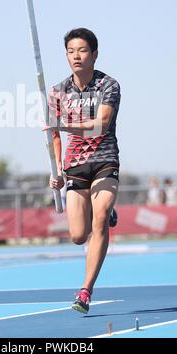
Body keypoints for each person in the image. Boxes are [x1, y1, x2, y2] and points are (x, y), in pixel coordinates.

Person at [45, 28, 121, 314]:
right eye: (71, 51)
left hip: (104, 160)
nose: (76, 56)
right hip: (75, 166)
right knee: (78, 235)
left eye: (82, 50)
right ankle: (105, 209)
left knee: (99, 218)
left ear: (95, 54)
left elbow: (100, 124)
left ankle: (86, 290)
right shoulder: (57, 92)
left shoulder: (108, 85)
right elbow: (52, 136)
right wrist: (57, 169)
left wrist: (64, 126)